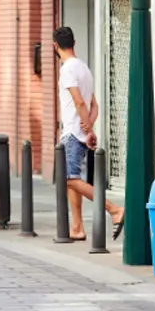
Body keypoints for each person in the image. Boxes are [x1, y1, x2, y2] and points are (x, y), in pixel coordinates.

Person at [54, 26, 124, 241]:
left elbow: (79, 101)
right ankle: (77, 227)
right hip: (81, 132)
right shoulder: (84, 68)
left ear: (55, 46)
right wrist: (90, 126)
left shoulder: (67, 69)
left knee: (67, 179)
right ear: (73, 42)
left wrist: (86, 127)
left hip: (73, 133)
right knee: (73, 178)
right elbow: (95, 105)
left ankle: (113, 210)